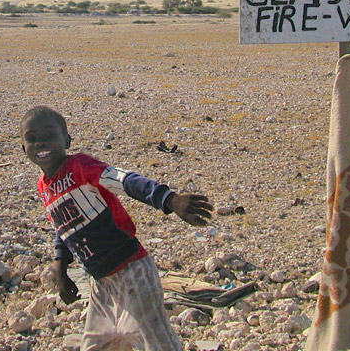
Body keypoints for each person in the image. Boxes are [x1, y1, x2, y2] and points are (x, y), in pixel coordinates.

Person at [20, 106, 213, 351]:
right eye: (32, 139)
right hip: (101, 283)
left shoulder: (80, 167)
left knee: (157, 343)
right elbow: (63, 225)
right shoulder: (44, 186)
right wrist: (61, 267)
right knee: (99, 345)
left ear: (67, 140)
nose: (41, 143)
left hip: (132, 271)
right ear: (23, 148)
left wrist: (168, 199)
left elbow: (123, 180)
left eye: (49, 135)